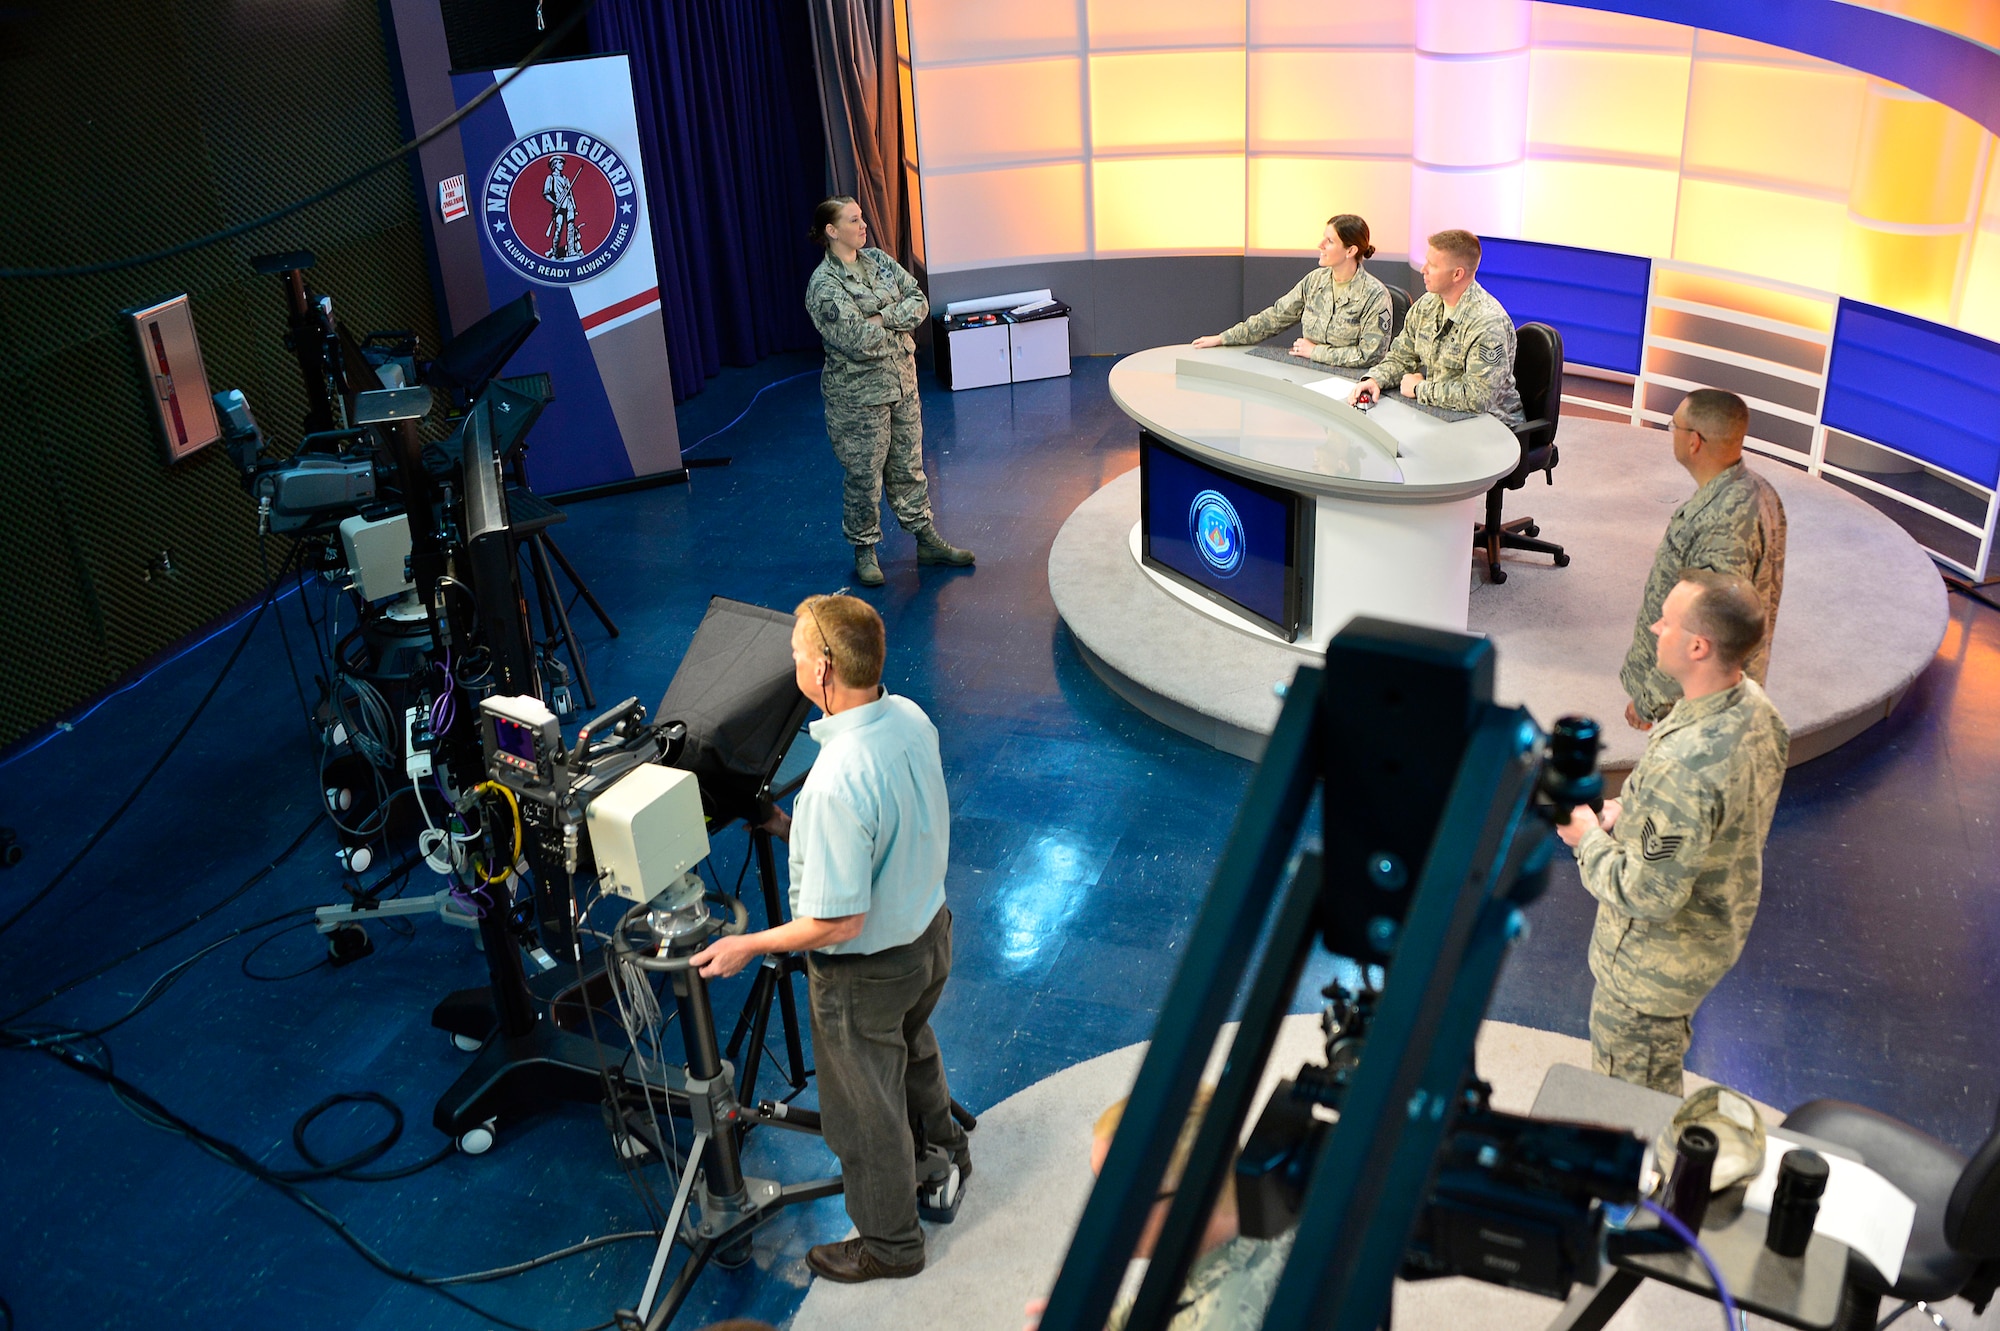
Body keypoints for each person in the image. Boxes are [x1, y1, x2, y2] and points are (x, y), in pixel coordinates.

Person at [690, 593, 969, 1283]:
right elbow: (890, 823)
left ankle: (889, 1243)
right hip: (928, 938)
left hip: (865, 971)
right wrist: (793, 830)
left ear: (822, 669)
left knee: (862, 1113)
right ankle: (946, 1147)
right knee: (912, 1049)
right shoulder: (908, 718)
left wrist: (746, 946)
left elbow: (837, 922)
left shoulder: (835, 784)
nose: (787, 666)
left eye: (793, 656)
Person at [1556, 570, 1789, 1095]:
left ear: (1699, 645)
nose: (1657, 627)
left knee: (1633, 1105)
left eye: (1669, 622)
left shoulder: (1685, 766)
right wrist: (1628, 812)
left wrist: (1586, 837)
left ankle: (1664, 1176)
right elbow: (1712, 820)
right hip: (1709, 934)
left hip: (1649, 971)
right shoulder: (1756, 709)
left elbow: (1647, 893)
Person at [805, 196, 974, 589]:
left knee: (909, 465)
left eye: (862, 217)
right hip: (858, 398)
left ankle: (925, 539)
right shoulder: (824, 285)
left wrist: (882, 317)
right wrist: (894, 326)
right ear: (832, 231)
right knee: (864, 475)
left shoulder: (879, 260)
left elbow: (919, 303)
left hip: (902, 384)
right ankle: (864, 549)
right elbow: (856, 339)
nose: (863, 225)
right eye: (853, 220)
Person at [1024, 1087, 1294, 1331]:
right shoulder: (1271, 1215)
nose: (1103, 1215)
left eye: (1121, 1198)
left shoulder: (1223, 1319)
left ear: (1190, 1195)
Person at [1621, 389, 1787, 731]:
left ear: (1694, 441)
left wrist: (1651, 698)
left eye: (1675, 427)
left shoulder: (1723, 524)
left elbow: (1704, 633)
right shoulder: (1752, 490)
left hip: (1698, 711)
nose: (1672, 434)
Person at [1349, 229, 1523, 425]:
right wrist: (1375, 380)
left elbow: (1478, 397)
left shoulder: (1487, 323)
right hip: (1442, 414)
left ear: (1457, 274)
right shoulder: (1427, 305)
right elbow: (1401, 357)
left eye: (1432, 265)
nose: (1424, 269)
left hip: (1491, 426)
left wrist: (1419, 389)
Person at [1191, 214, 1393, 370]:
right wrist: (1224, 338)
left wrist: (1315, 352)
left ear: (1350, 251)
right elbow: (1274, 318)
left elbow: (1370, 356)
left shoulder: (1375, 296)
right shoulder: (1315, 281)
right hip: (1308, 373)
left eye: (1329, 241)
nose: (1320, 245)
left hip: (1348, 383)